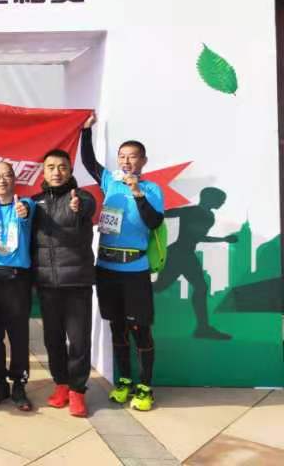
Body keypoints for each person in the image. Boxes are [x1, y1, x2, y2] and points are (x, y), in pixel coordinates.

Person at [81, 112, 165, 412]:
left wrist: (137, 192)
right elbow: (88, 162)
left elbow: (154, 222)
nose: (126, 161)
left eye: (132, 157)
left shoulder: (152, 189)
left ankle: (145, 386)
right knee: (117, 328)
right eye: (122, 156)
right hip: (106, 268)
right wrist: (85, 131)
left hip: (135, 271)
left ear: (143, 161)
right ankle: (124, 381)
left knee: (140, 329)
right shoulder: (110, 181)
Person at [31, 149, 96, 417]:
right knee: (53, 339)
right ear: (43, 171)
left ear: (70, 171)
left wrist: (78, 208)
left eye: (62, 167)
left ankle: (77, 391)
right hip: (47, 284)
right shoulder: (34, 202)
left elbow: (87, 208)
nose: (56, 172)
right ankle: (61, 384)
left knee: (78, 341)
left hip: (76, 283)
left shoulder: (81, 197)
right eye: (51, 167)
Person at [0, 162, 35, 412]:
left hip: (17, 279)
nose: (1, 180)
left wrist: (23, 210)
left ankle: (19, 385)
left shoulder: (25, 204)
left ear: (14, 179)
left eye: (6, 176)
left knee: (18, 334)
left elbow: (27, 212)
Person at [154, 187, 235, 340]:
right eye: (221, 200)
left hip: (184, 254)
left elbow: (197, 236)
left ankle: (203, 328)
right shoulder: (193, 212)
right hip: (179, 254)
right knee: (159, 287)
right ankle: (203, 328)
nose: (222, 203)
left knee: (200, 287)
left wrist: (223, 239)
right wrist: (223, 239)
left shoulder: (206, 216)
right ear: (209, 198)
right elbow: (196, 236)